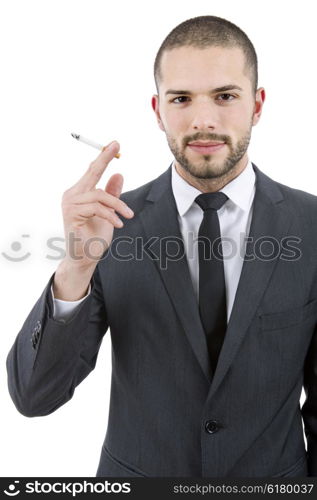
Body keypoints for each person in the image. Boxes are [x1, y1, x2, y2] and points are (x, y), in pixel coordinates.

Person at [6, 15, 317, 478]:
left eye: (225, 96)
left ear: (257, 105)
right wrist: (75, 268)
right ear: (157, 109)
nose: (203, 120)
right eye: (181, 99)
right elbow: (36, 397)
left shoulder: (310, 225)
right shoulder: (110, 224)